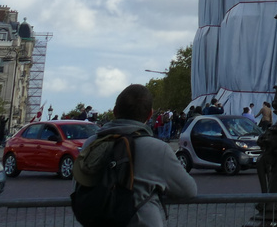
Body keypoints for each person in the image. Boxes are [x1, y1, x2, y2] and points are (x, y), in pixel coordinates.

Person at [74, 84, 197, 227]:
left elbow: (78, 184)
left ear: (115, 111)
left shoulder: (91, 143)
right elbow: (188, 190)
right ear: (150, 114)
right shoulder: (157, 148)